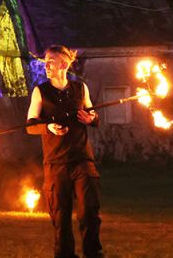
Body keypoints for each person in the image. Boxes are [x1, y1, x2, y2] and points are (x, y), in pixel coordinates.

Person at [26, 45, 102, 258]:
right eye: (45, 61)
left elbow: (94, 116)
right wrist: (47, 127)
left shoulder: (81, 89)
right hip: (55, 163)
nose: (46, 65)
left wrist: (92, 118)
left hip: (81, 160)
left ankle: (93, 253)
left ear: (64, 64)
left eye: (50, 61)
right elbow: (30, 125)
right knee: (61, 217)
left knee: (89, 211)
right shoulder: (40, 91)